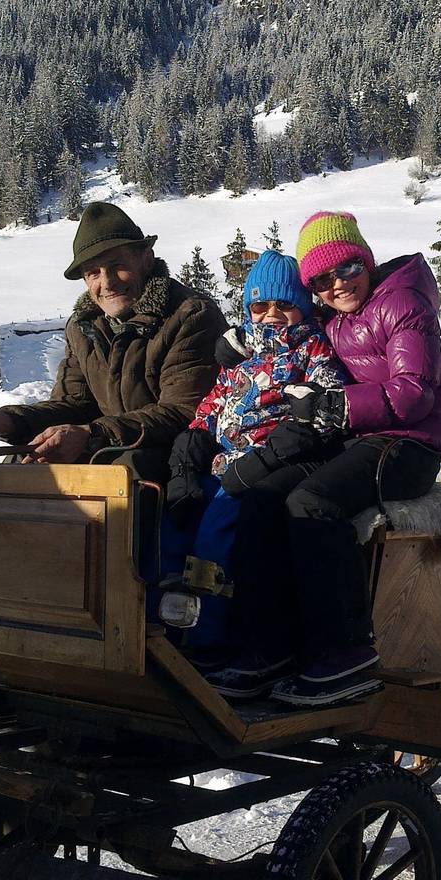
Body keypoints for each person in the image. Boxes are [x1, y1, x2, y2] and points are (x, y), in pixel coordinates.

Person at [209, 211, 441, 706]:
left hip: (409, 442)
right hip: (356, 437)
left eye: (347, 268)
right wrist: (238, 342)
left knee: (312, 502)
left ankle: (347, 651)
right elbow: (286, 325)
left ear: (366, 261)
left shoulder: (402, 303)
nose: (337, 284)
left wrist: (337, 405)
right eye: (321, 279)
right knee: (262, 497)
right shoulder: (336, 314)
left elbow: (414, 393)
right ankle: (273, 645)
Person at [0, 202, 226, 478]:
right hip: (112, 445)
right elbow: (73, 404)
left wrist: (92, 434)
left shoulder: (190, 317)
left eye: (117, 265)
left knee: (128, 469)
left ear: (146, 259)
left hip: (181, 460)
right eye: (93, 273)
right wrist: (4, 421)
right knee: (24, 461)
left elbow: (184, 412)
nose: (107, 282)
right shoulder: (84, 327)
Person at [160, 250, 346, 667]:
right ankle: (163, 625)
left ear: (303, 307)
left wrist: (269, 455)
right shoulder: (239, 355)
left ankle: (209, 637)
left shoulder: (312, 349)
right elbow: (212, 406)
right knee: (174, 522)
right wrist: (188, 453)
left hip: (267, 462)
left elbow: (323, 409)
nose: (271, 315)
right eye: (260, 306)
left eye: (284, 304)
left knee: (216, 533)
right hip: (222, 462)